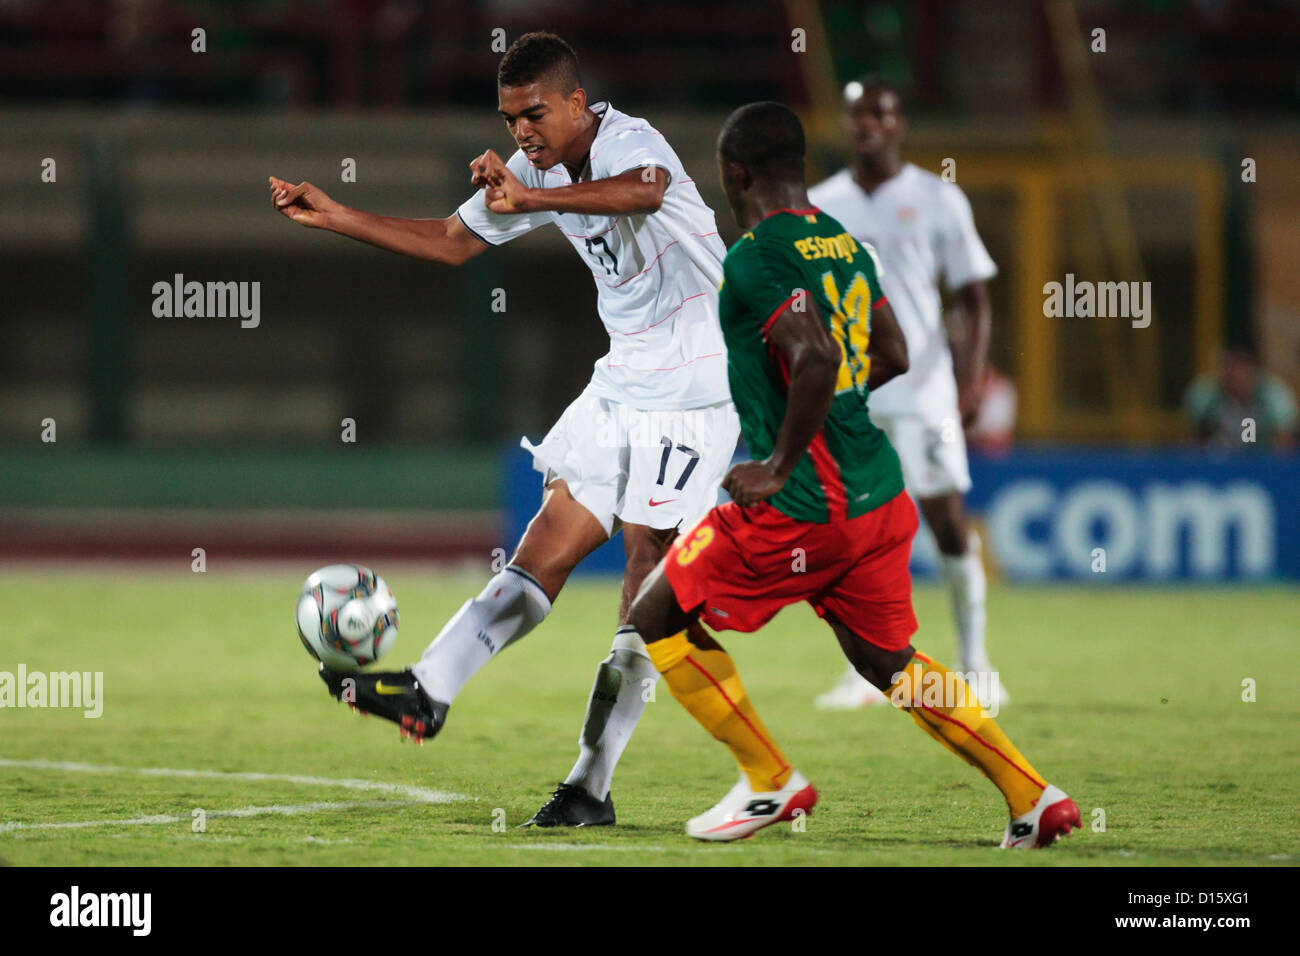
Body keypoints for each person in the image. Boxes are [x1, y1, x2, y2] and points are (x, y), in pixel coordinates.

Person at [270, 31, 740, 828]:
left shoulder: (628, 140)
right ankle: (429, 690)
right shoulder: (533, 170)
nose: (521, 132)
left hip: (697, 389)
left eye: (533, 115)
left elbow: (645, 193)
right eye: (509, 118)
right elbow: (454, 242)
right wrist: (336, 215)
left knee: (645, 585)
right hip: (623, 380)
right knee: (543, 547)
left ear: (574, 104)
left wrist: (535, 200)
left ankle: (591, 785)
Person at [619, 101, 1079, 846]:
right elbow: (891, 351)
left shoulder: (757, 256)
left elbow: (819, 357)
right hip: (877, 492)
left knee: (654, 614)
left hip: (804, 502)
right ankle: (1034, 796)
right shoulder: (844, 243)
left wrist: (776, 463)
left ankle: (770, 783)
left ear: (734, 173)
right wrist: (835, 409)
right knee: (889, 662)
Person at [808, 77, 1007, 710]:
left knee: (947, 521)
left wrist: (970, 377)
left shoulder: (937, 198)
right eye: (857, 114)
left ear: (899, 125)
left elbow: (974, 297)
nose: (866, 124)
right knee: (850, 532)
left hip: (924, 389)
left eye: (879, 114)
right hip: (854, 394)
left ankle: (976, 662)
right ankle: (865, 669)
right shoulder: (822, 202)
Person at [1183, 345, 1297, 450]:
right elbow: (1191, 438)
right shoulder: (1206, 394)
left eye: (1241, 366)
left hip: (1263, 463)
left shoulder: (1274, 395)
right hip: (1218, 462)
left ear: (1252, 368)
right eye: (1230, 366)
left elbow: (1284, 440)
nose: (1235, 373)